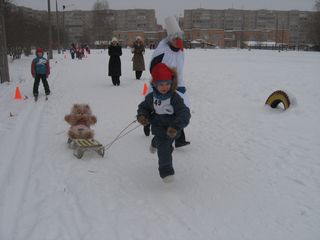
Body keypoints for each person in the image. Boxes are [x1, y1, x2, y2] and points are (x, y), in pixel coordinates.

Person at [136, 63, 191, 182]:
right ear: (155, 84)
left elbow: (184, 112)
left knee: (162, 142)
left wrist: (177, 126)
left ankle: (154, 142)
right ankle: (167, 173)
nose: (164, 87)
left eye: (167, 83)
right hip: (158, 127)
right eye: (161, 84)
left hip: (173, 129)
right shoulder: (152, 97)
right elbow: (143, 107)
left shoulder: (174, 98)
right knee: (165, 148)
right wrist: (142, 116)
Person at [144, 16, 190, 148]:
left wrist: (180, 85)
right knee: (155, 108)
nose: (178, 41)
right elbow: (153, 68)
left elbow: (180, 70)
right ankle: (147, 125)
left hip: (175, 85)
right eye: (176, 39)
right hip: (160, 84)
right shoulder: (162, 51)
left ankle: (179, 138)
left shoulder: (181, 51)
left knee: (180, 109)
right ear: (170, 39)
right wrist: (161, 82)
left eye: (179, 38)